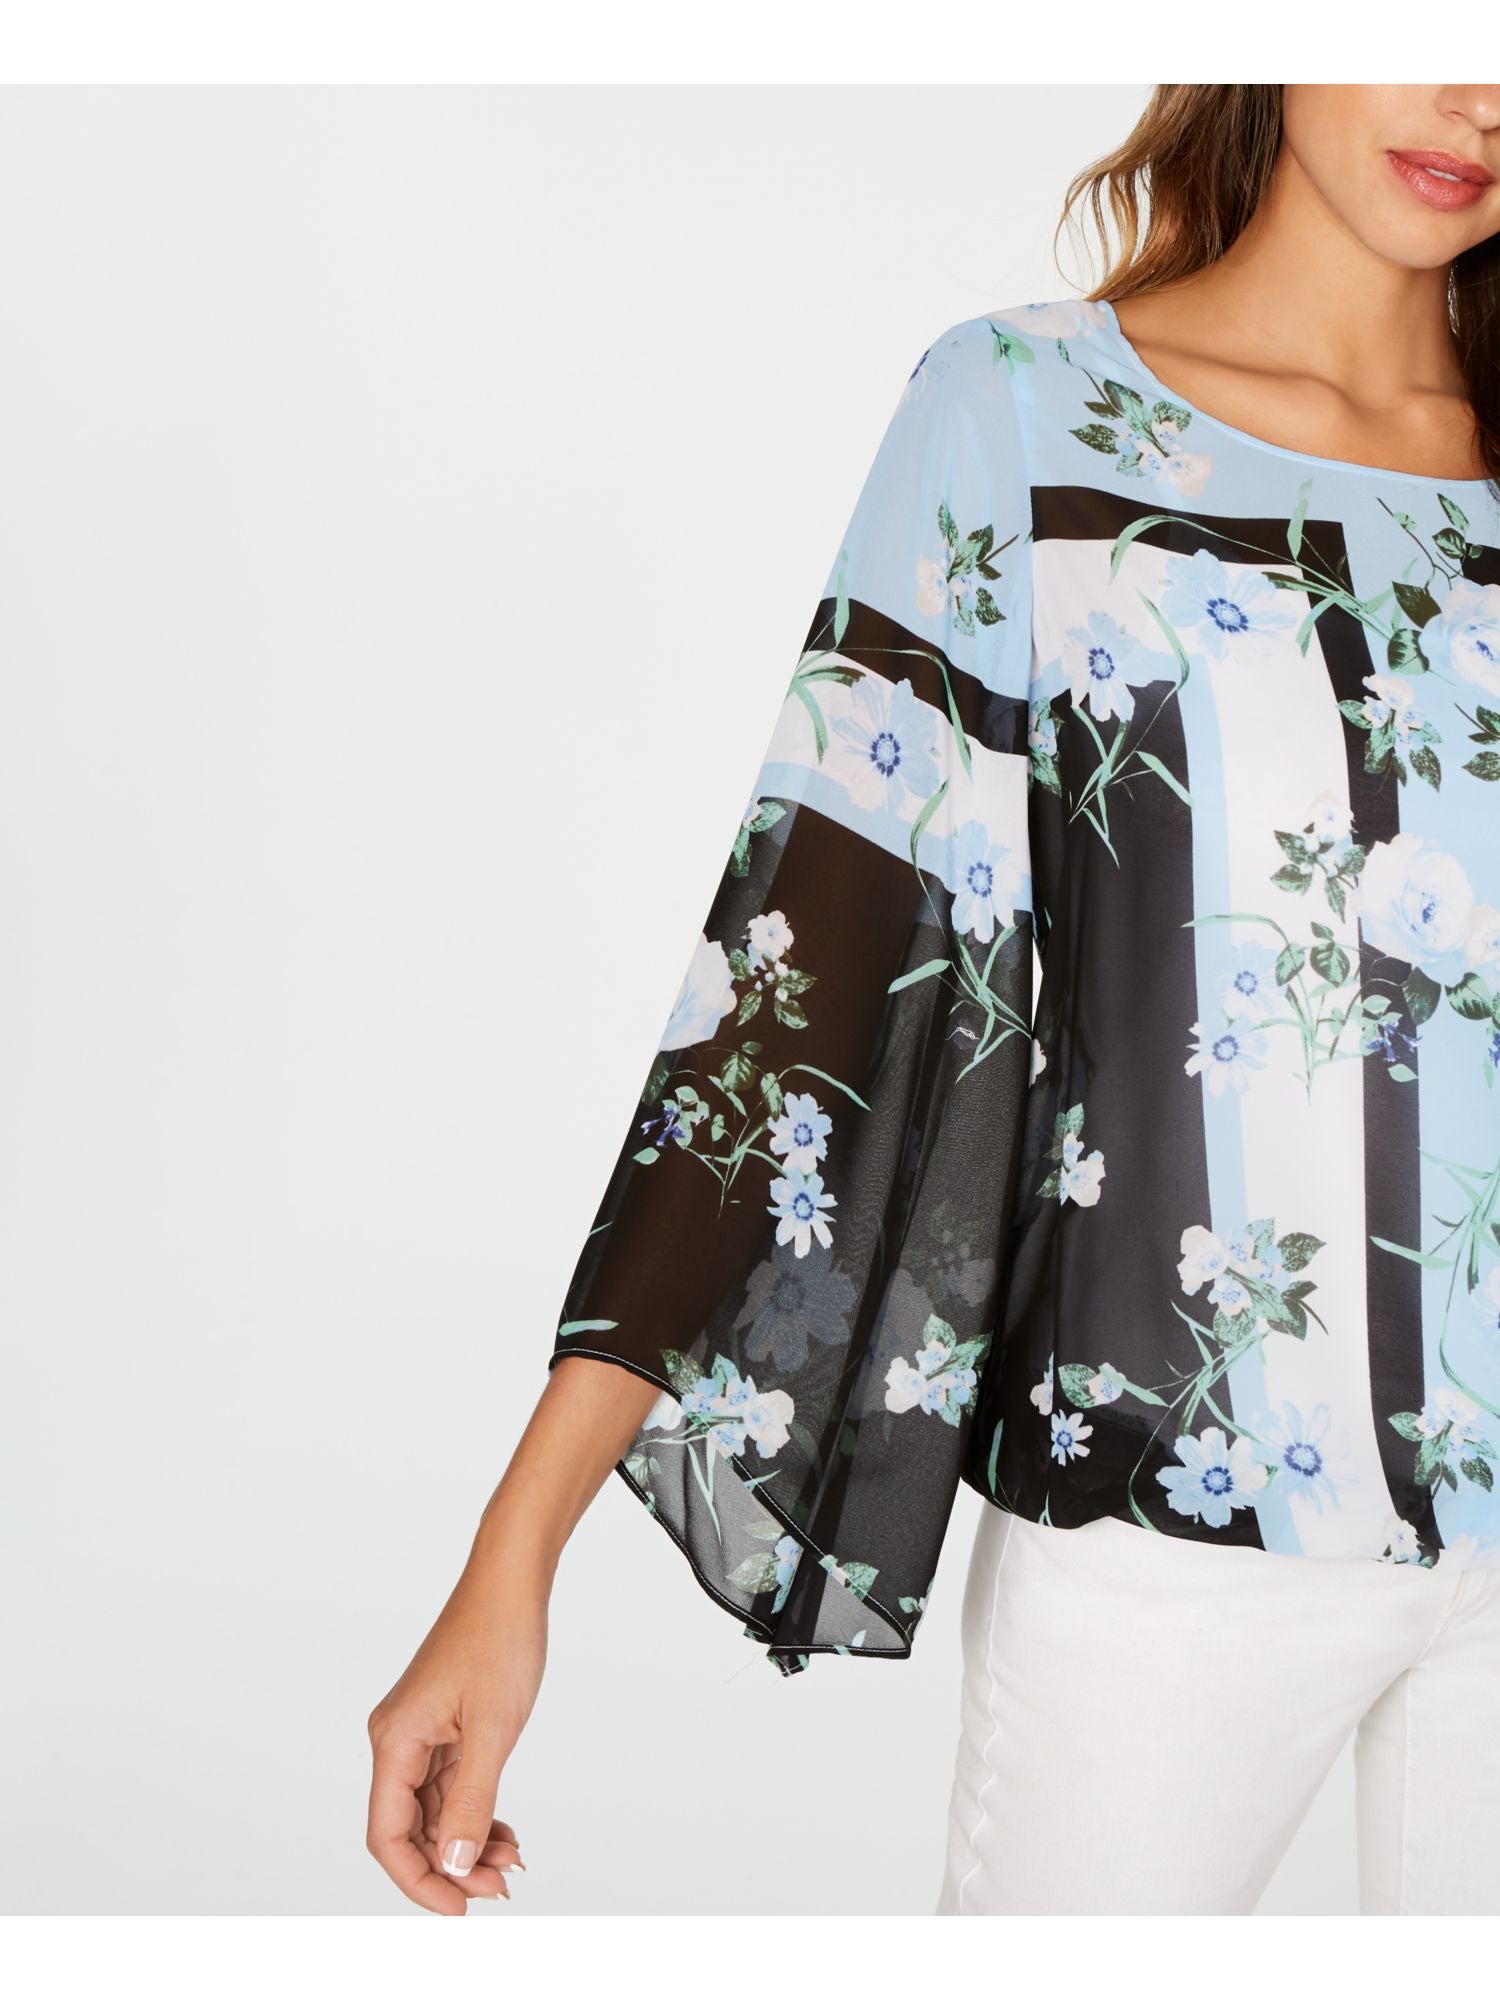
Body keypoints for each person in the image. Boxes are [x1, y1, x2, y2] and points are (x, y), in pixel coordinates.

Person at [365, 84, 1500, 1916]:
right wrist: (516, 1557)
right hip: (1175, 1521)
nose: (1479, 95)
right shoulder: (1032, 415)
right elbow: (807, 960)